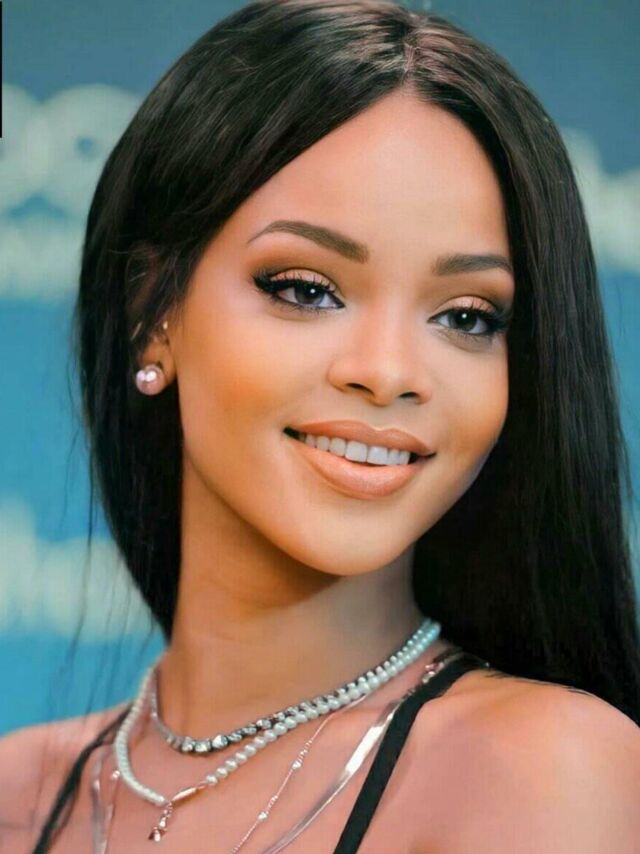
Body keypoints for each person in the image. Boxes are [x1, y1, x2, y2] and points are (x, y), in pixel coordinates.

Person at [2, 0, 640, 851]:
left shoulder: (542, 772)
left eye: (465, 316)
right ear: (153, 311)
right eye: (305, 289)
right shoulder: (18, 794)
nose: (389, 371)